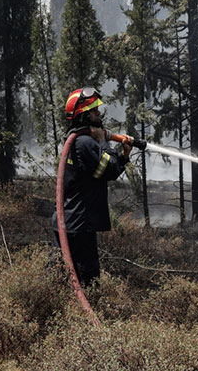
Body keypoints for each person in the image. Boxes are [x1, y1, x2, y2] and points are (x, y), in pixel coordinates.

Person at [52, 87, 131, 286]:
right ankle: (87, 313)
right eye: (95, 111)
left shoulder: (75, 140)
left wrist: (119, 153)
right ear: (84, 115)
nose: (99, 114)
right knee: (87, 279)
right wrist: (112, 148)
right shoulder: (85, 143)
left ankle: (64, 311)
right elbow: (109, 169)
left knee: (63, 277)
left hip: (68, 221)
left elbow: (98, 171)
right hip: (79, 225)